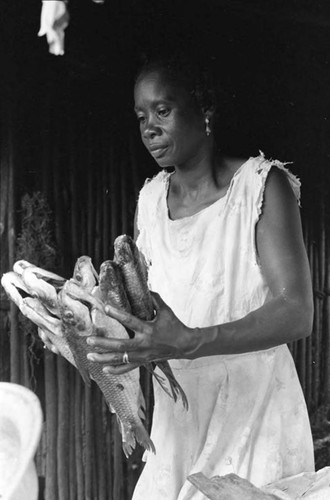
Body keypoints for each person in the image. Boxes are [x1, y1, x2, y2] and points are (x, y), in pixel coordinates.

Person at [86, 54, 315, 499]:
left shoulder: (260, 187)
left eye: (163, 110)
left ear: (204, 108)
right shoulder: (150, 200)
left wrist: (190, 341)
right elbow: (149, 316)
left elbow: (296, 312)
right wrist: (113, 341)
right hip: (180, 419)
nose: (149, 127)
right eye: (140, 116)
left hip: (256, 414)